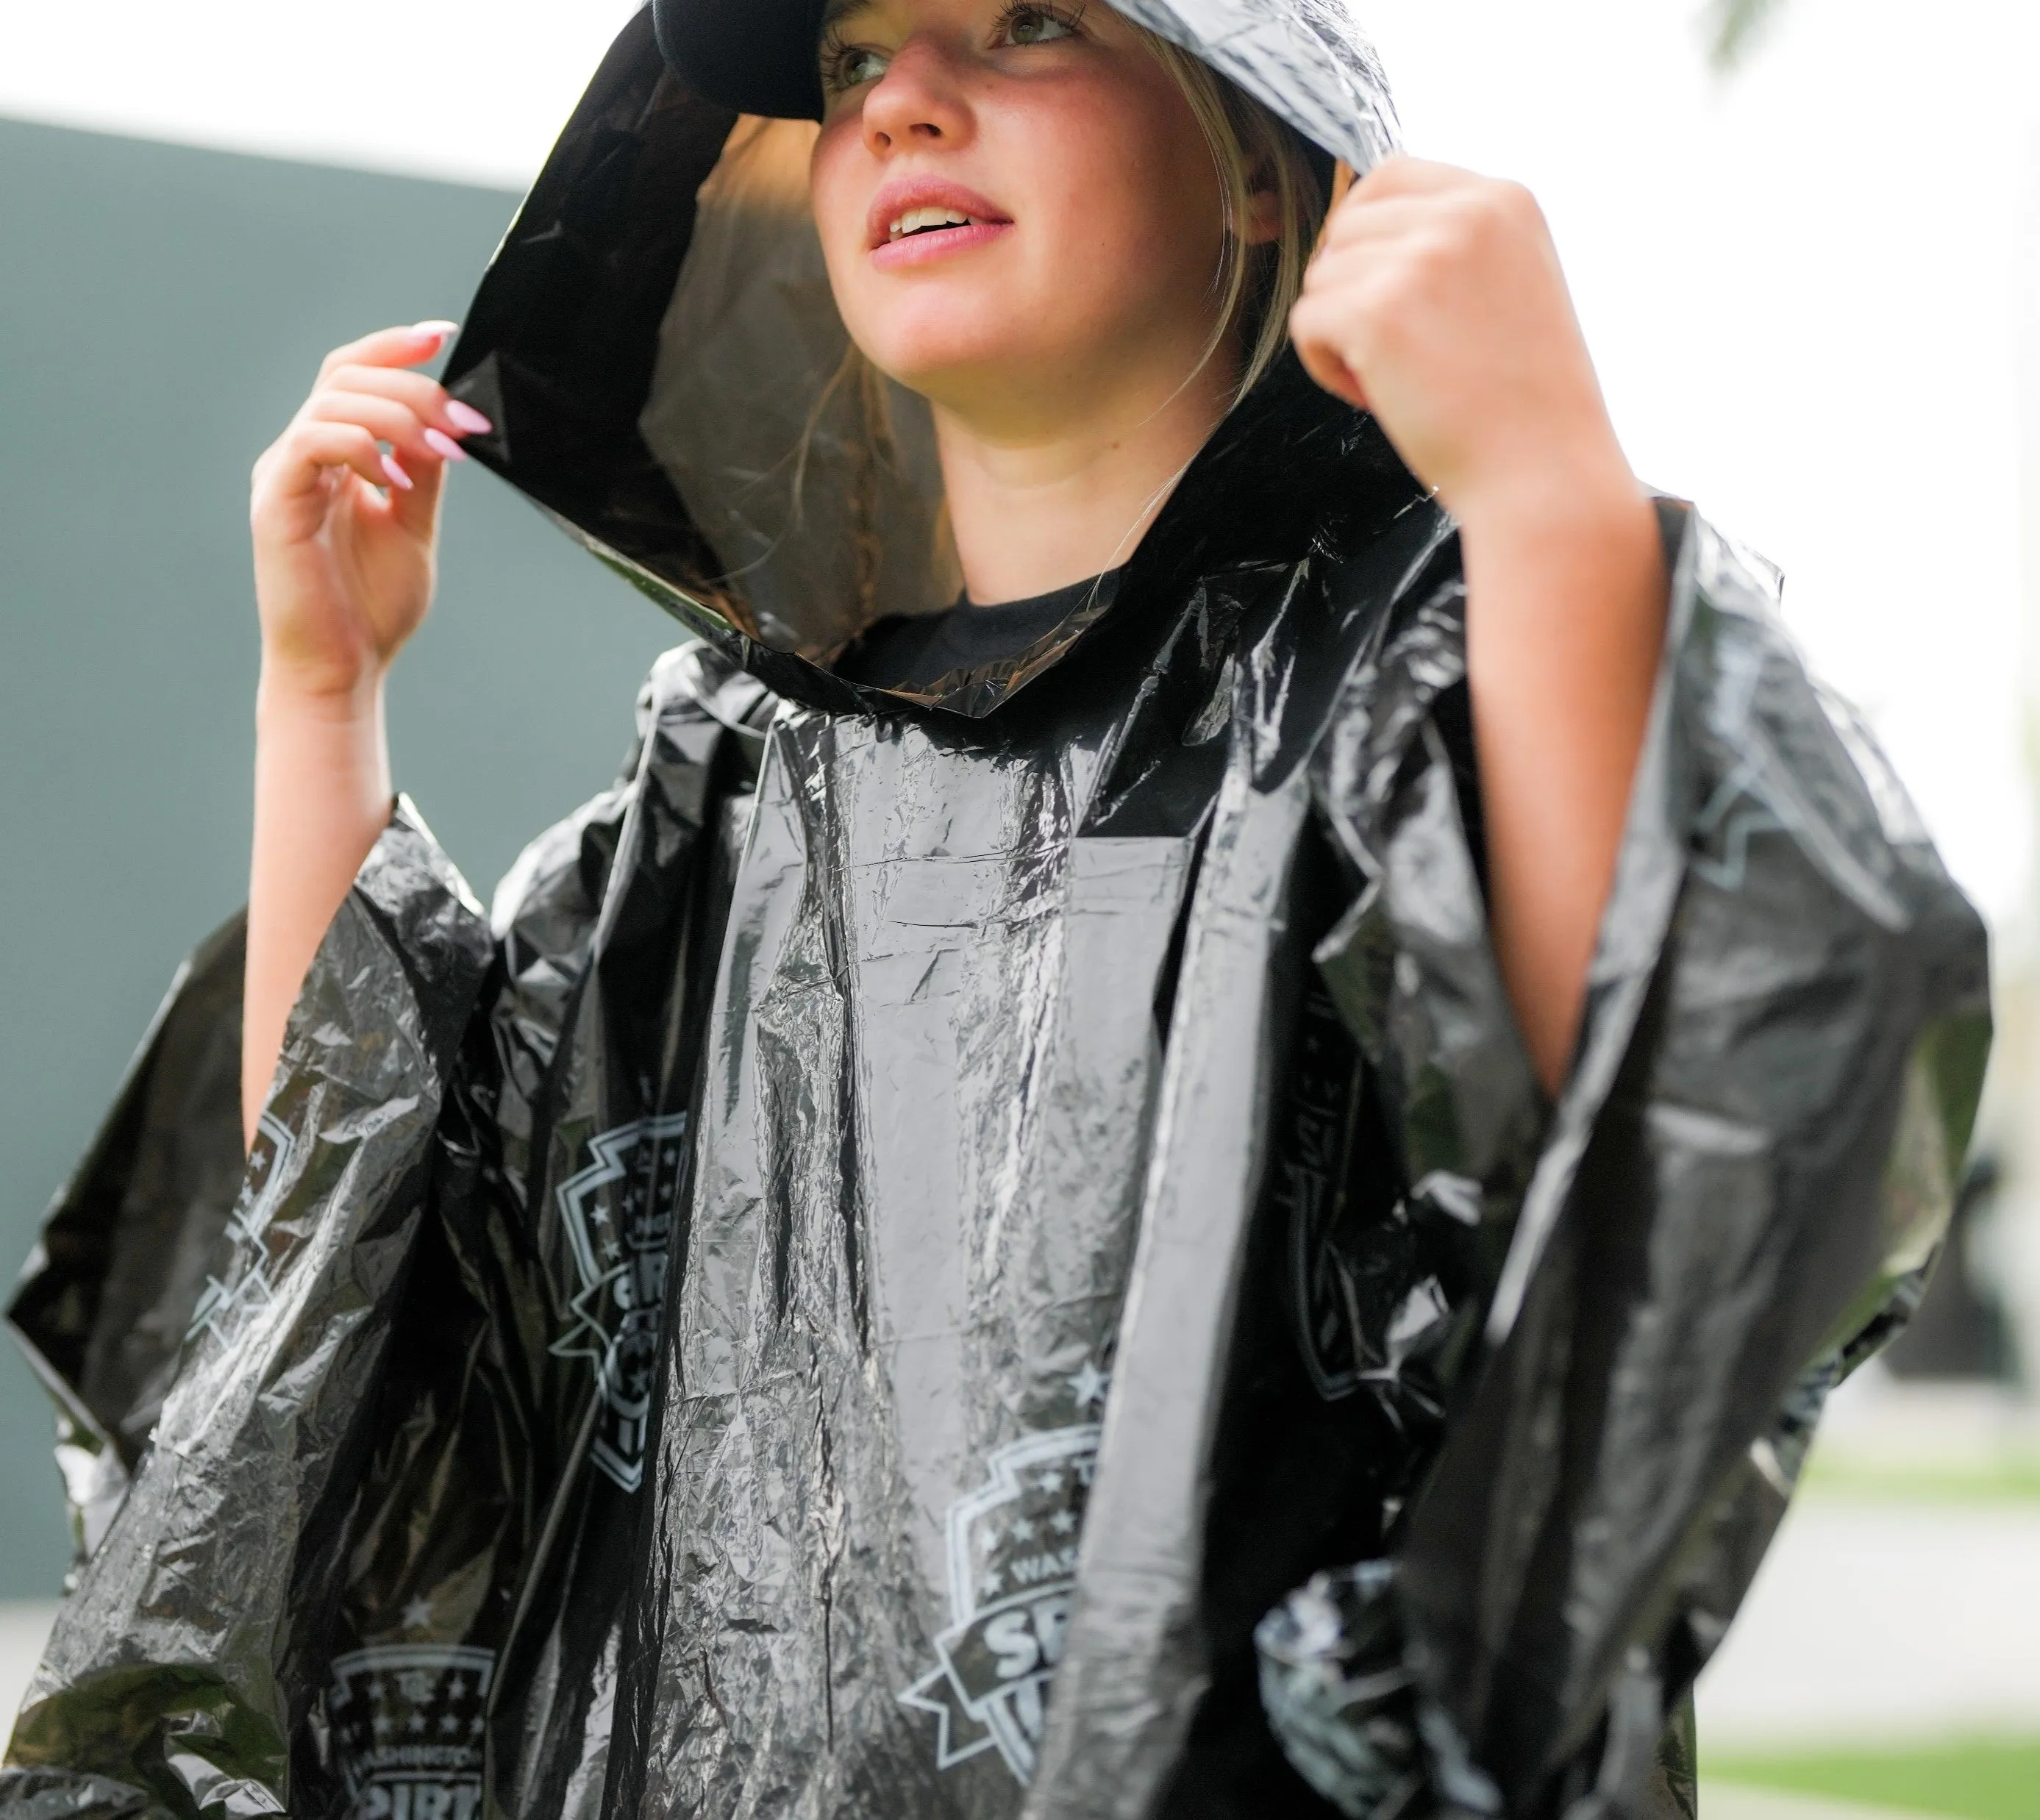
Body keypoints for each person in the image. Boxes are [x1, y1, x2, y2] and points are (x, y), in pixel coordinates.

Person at [1, 3, 1989, 1819]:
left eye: (1028, 20)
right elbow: (342, 1299)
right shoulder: (723, 783)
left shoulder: (1422, 653)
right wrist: (324, 695)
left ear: (1255, 152)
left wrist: (1547, 489)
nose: (907, 104)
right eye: (854, 58)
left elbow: (1685, 1135)